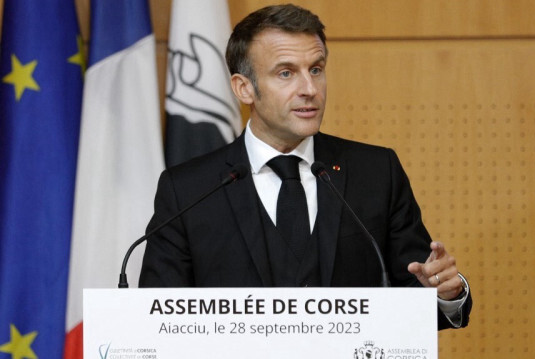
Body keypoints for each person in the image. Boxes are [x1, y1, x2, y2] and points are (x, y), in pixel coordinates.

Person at [139, 4, 472, 329]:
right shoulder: (188, 190)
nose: (310, 89)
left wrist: (444, 292)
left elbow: (417, 288)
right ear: (244, 88)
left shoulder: (376, 172)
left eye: (316, 69)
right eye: (286, 73)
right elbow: (157, 319)